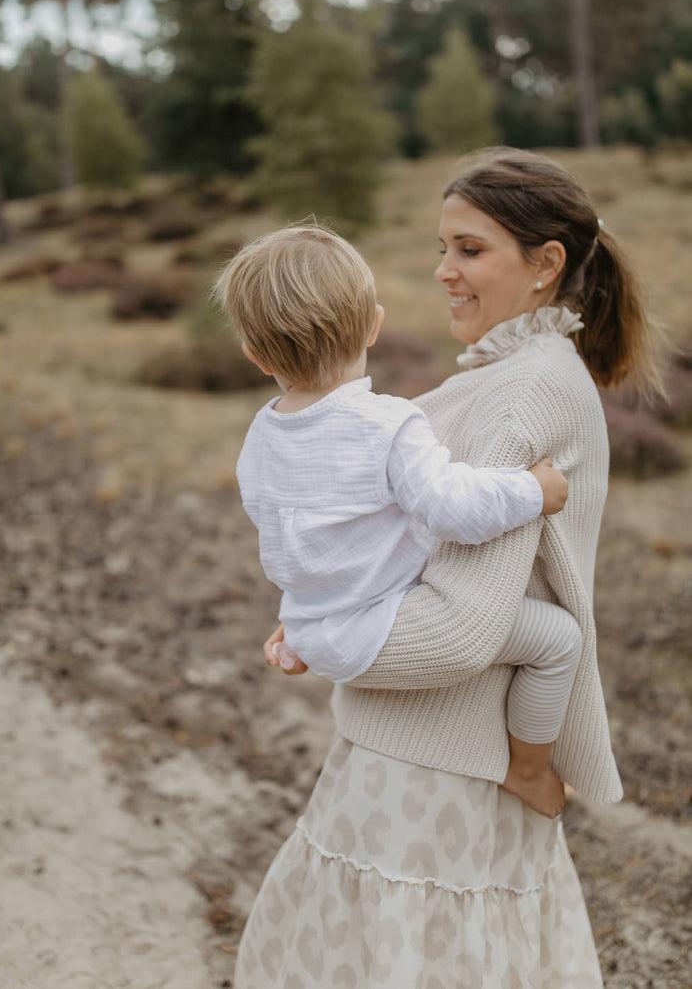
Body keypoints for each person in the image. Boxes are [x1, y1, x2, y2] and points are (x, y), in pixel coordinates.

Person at [232, 148, 664, 988]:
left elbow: (459, 632)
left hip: (442, 774)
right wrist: (320, 612)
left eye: (470, 249)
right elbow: (362, 531)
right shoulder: (500, 377)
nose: (443, 271)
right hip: (426, 757)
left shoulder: (526, 391)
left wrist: (325, 637)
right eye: (442, 248)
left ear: (546, 264)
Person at [220, 223, 583, 819]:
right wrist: (532, 491)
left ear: (255, 356)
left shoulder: (261, 435)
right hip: (375, 632)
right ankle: (528, 769)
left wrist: (303, 613)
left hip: (314, 629)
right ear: (374, 326)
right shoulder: (387, 424)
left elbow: (287, 533)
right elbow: (453, 507)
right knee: (557, 640)